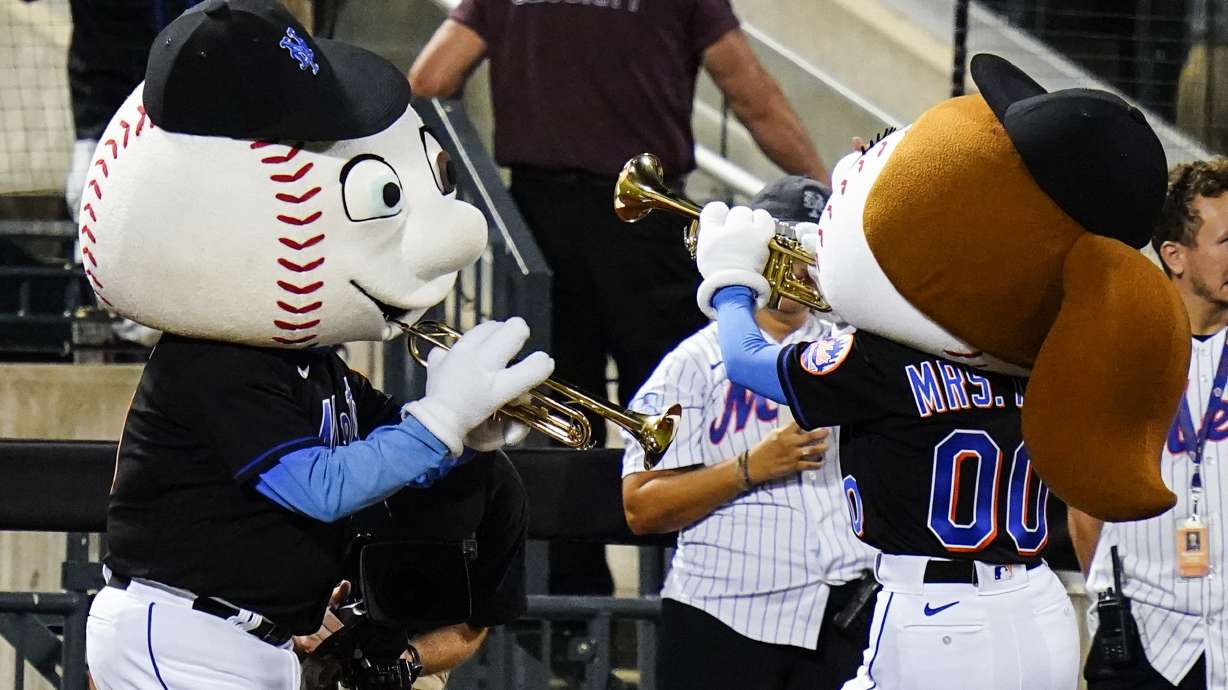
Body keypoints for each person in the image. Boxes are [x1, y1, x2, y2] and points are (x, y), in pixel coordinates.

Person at [81, 3, 553, 688]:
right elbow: (321, 488)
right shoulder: (216, 359)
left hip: (255, 640)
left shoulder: (312, 363)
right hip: (181, 629)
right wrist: (439, 421)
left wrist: (468, 431)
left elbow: (388, 454)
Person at [409, 0, 827, 598]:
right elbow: (749, 95)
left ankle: (571, 610)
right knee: (672, 407)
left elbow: (429, 80)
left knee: (559, 410)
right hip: (644, 227)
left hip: (536, 223)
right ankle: (675, 587)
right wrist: (825, 192)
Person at [619, 176, 878, 690]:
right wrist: (747, 469)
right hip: (725, 618)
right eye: (784, 245)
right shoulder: (691, 364)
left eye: (810, 247)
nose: (798, 264)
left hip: (846, 616)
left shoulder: (852, 352)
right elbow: (640, 507)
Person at [1069, 157, 1228, 690]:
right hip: (1141, 636)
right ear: (1175, 256)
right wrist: (1114, 589)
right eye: (1226, 241)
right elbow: (1085, 500)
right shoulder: (1120, 347)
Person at [298, 450, 529, 690]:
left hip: (413, 657)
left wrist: (406, 662)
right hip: (299, 631)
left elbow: (475, 624)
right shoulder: (330, 445)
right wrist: (298, 619)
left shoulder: (498, 481)